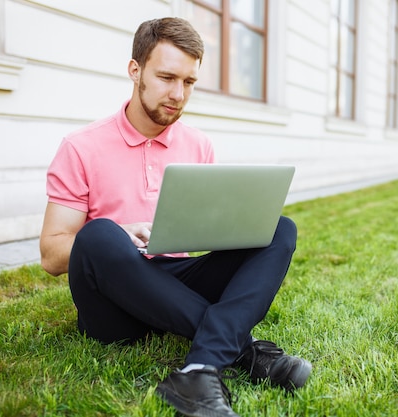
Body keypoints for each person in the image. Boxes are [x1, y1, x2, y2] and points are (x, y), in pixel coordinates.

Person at [39, 17, 311, 417]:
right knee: (98, 235)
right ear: (135, 71)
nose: (178, 93)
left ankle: (199, 368)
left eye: (189, 82)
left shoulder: (198, 145)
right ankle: (244, 350)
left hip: (178, 285)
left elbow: (216, 229)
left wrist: (228, 228)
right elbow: (51, 254)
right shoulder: (81, 147)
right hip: (114, 303)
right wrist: (119, 232)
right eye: (167, 77)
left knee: (279, 228)